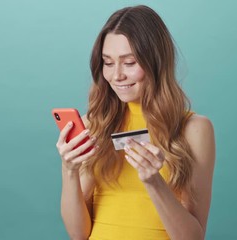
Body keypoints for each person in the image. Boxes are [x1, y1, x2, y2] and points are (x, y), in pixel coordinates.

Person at [56, 5, 216, 240]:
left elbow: (192, 238)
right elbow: (78, 234)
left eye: (129, 63)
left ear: (156, 62)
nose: (117, 75)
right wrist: (69, 170)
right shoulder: (93, 125)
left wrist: (154, 182)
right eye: (108, 63)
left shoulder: (195, 130)